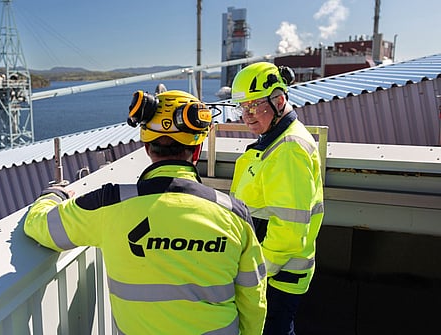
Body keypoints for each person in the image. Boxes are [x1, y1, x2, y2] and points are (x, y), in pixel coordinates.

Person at [24, 88, 268, 334]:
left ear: (147, 148)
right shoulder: (235, 215)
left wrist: (53, 195)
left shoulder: (109, 204)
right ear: (196, 151)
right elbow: (254, 301)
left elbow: (40, 226)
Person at [229, 62, 324, 335]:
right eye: (242, 108)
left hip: (275, 276)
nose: (246, 116)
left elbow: (289, 230)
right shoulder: (274, 140)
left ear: (279, 100)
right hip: (272, 271)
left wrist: (254, 274)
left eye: (253, 106)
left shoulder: (288, 148)